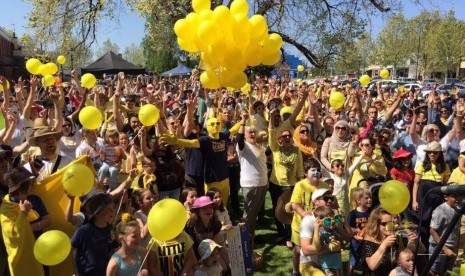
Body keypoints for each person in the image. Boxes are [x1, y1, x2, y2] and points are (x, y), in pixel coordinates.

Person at [0, 167, 46, 276]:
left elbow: (48, 221)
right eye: (30, 183)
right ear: (21, 187)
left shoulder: (34, 199)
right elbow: (12, 234)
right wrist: (23, 214)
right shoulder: (6, 208)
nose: (33, 185)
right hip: (22, 261)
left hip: (40, 253)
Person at [268, 108, 304, 243]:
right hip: (276, 184)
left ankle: (290, 235)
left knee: (290, 210)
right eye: (284, 136)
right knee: (277, 209)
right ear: (280, 139)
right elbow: (271, 133)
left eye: (289, 136)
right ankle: (281, 233)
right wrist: (271, 117)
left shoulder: (296, 151)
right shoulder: (275, 149)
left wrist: (301, 185)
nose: (287, 137)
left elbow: (300, 169)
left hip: (292, 185)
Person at [289, 159, 328, 275]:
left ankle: (317, 267)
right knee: (298, 250)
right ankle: (296, 271)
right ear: (306, 173)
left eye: (318, 170)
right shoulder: (300, 185)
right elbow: (294, 204)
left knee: (317, 246)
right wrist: (304, 214)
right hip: (300, 225)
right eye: (313, 170)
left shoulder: (324, 185)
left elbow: (329, 201)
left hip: (318, 224)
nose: (316, 172)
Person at [359, 206, 419, 276]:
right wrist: (384, 245)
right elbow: (372, 266)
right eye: (384, 224)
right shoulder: (368, 240)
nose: (389, 226)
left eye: (391, 223)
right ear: (376, 225)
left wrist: (411, 243)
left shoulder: (396, 238)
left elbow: (401, 260)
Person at [412, 141, 450, 248]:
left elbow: (446, 184)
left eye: (435, 152)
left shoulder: (445, 166)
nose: (432, 154)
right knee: (423, 222)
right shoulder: (422, 165)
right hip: (424, 194)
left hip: (438, 194)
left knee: (436, 222)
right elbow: (416, 183)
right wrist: (414, 201)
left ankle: (434, 247)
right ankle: (423, 249)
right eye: (429, 152)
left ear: (439, 154)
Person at [236, 112, 268, 237]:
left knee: (254, 212)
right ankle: (244, 237)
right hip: (251, 184)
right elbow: (238, 138)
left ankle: (251, 234)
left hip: (262, 183)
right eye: (250, 133)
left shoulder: (259, 146)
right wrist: (243, 121)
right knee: (248, 213)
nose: (253, 134)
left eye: (254, 132)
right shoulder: (243, 147)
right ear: (245, 135)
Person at [71, 193, 115, 275]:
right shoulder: (83, 231)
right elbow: (74, 252)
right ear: (98, 212)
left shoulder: (112, 230)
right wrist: (76, 273)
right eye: (109, 209)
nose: (113, 211)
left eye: (113, 208)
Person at [428, 193, 460, 275]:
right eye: (454, 196)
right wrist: (444, 249)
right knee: (435, 272)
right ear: (446, 197)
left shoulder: (457, 208)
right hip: (439, 248)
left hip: (451, 248)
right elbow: (432, 230)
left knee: (446, 272)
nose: (457, 198)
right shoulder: (440, 210)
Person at [347, 188, 372, 273]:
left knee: (367, 262)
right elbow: (348, 228)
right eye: (366, 198)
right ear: (358, 200)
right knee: (353, 262)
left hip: (368, 242)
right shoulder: (353, 214)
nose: (369, 200)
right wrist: (355, 236)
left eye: (370, 198)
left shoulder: (371, 213)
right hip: (356, 243)